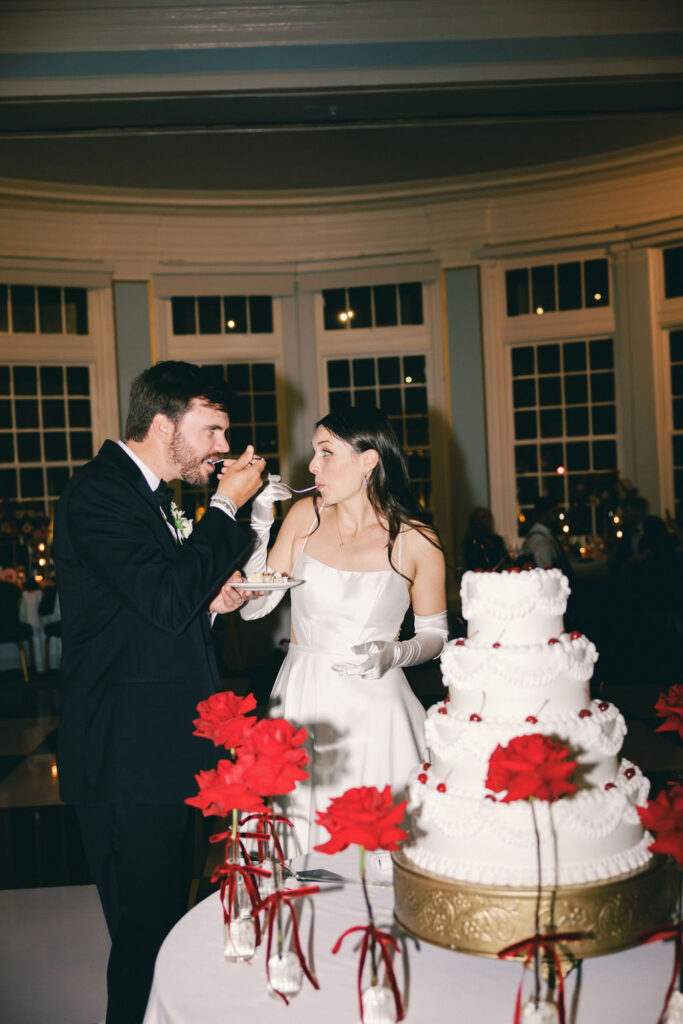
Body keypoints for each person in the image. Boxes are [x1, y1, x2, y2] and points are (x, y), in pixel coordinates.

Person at [54, 361, 265, 1024]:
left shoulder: (155, 496)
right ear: (165, 423)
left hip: (165, 748)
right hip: (125, 755)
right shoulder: (101, 494)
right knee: (144, 942)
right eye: (212, 430)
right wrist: (229, 505)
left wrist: (210, 603)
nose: (222, 448)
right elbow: (166, 593)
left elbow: (154, 609)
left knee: (170, 930)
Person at [240, 406, 448, 853]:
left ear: (368, 461)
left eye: (326, 452)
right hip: (301, 697)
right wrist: (261, 522)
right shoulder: (304, 516)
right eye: (315, 453)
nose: (312, 466)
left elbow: (436, 635)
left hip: (376, 708)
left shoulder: (416, 540)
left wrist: (397, 654)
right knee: (297, 842)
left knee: (378, 845)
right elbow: (252, 612)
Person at [461, 506, 510, 572]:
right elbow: (471, 565)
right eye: (477, 518)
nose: (481, 521)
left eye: (483, 518)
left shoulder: (497, 540)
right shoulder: (470, 543)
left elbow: (505, 562)